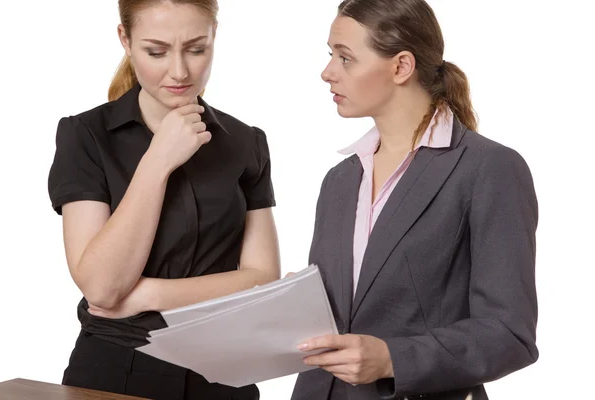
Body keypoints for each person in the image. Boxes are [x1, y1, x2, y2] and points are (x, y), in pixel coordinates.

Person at [291, 1, 538, 399]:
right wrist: (296, 305)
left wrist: (392, 358)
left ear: (401, 66)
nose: (327, 72)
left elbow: (509, 334)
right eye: (330, 55)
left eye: (345, 58)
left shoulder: (488, 169)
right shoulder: (339, 180)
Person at [47, 1, 280, 399]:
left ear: (214, 39)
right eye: (156, 51)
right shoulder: (85, 135)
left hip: (222, 374)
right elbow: (102, 288)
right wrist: (158, 161)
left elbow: (262, 278)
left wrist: (149, 296)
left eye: (196, 48)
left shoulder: (246, 142)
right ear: (126, 40)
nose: (179, 71)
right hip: (115, 372)